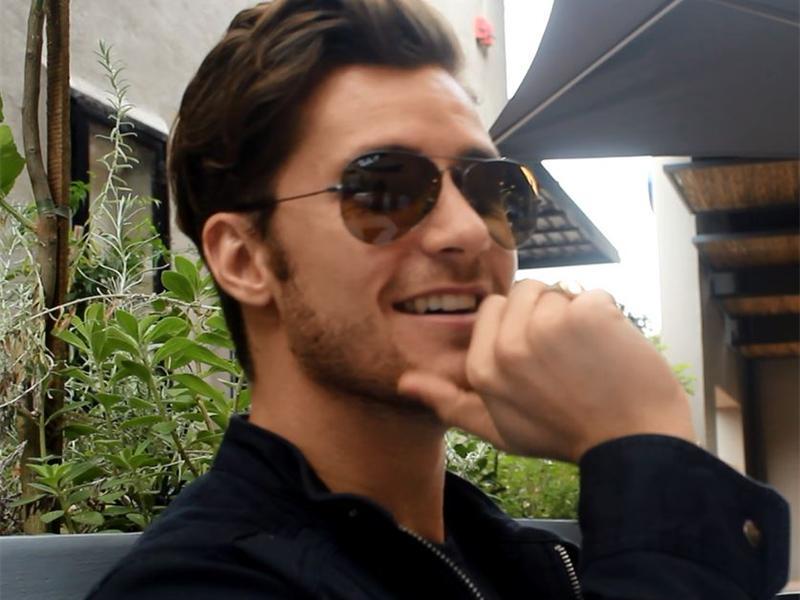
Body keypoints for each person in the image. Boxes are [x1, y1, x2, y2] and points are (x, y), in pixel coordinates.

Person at [88, 1, 790, 598]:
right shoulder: (200, 584)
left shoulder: (525, 563)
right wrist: (643, 444)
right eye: (383, 188)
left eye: (489, 189)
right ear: (244, 259)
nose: (467, 231)